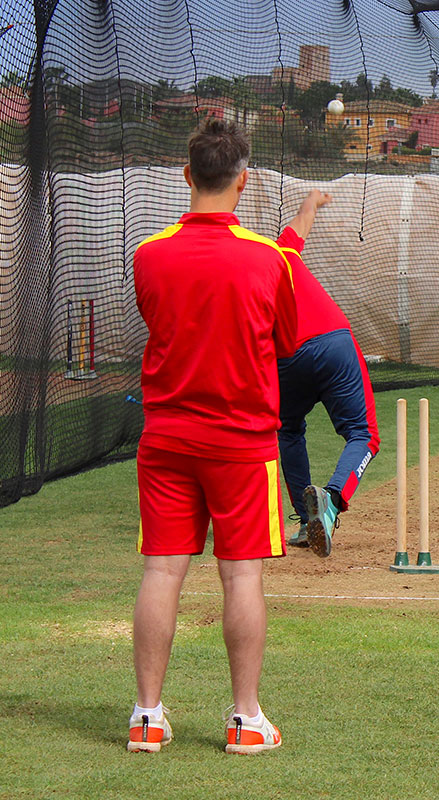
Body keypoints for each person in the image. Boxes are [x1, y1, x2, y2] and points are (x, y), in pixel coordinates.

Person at [128, 118, 294, 754]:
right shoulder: (268, 259)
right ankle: (246, 720)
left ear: (187, 174)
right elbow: (280, 343)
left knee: (162, 572)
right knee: (241, 578)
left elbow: (160, 320)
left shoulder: (149, 254)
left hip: (166, 439)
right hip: (241, 445)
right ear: (243, 181)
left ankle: (147, 715)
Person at [274, 190, 380, 558]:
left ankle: (306, 521)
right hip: (333, 343)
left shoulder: (235, 283)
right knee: (363, 434)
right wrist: (314, 200)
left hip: (284, 358)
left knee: (287, 429)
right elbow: (302, 220)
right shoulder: (281, 252)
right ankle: (332, 500)